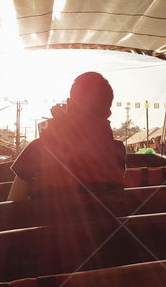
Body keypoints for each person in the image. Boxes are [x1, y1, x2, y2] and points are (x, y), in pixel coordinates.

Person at [7, 72, 126, 201]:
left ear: (69, 105)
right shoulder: (118, 150)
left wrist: (61, 122)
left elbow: (14, 203)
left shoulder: (38, 148)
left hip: (50, 220)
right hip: (104, 221)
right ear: (108, 113)